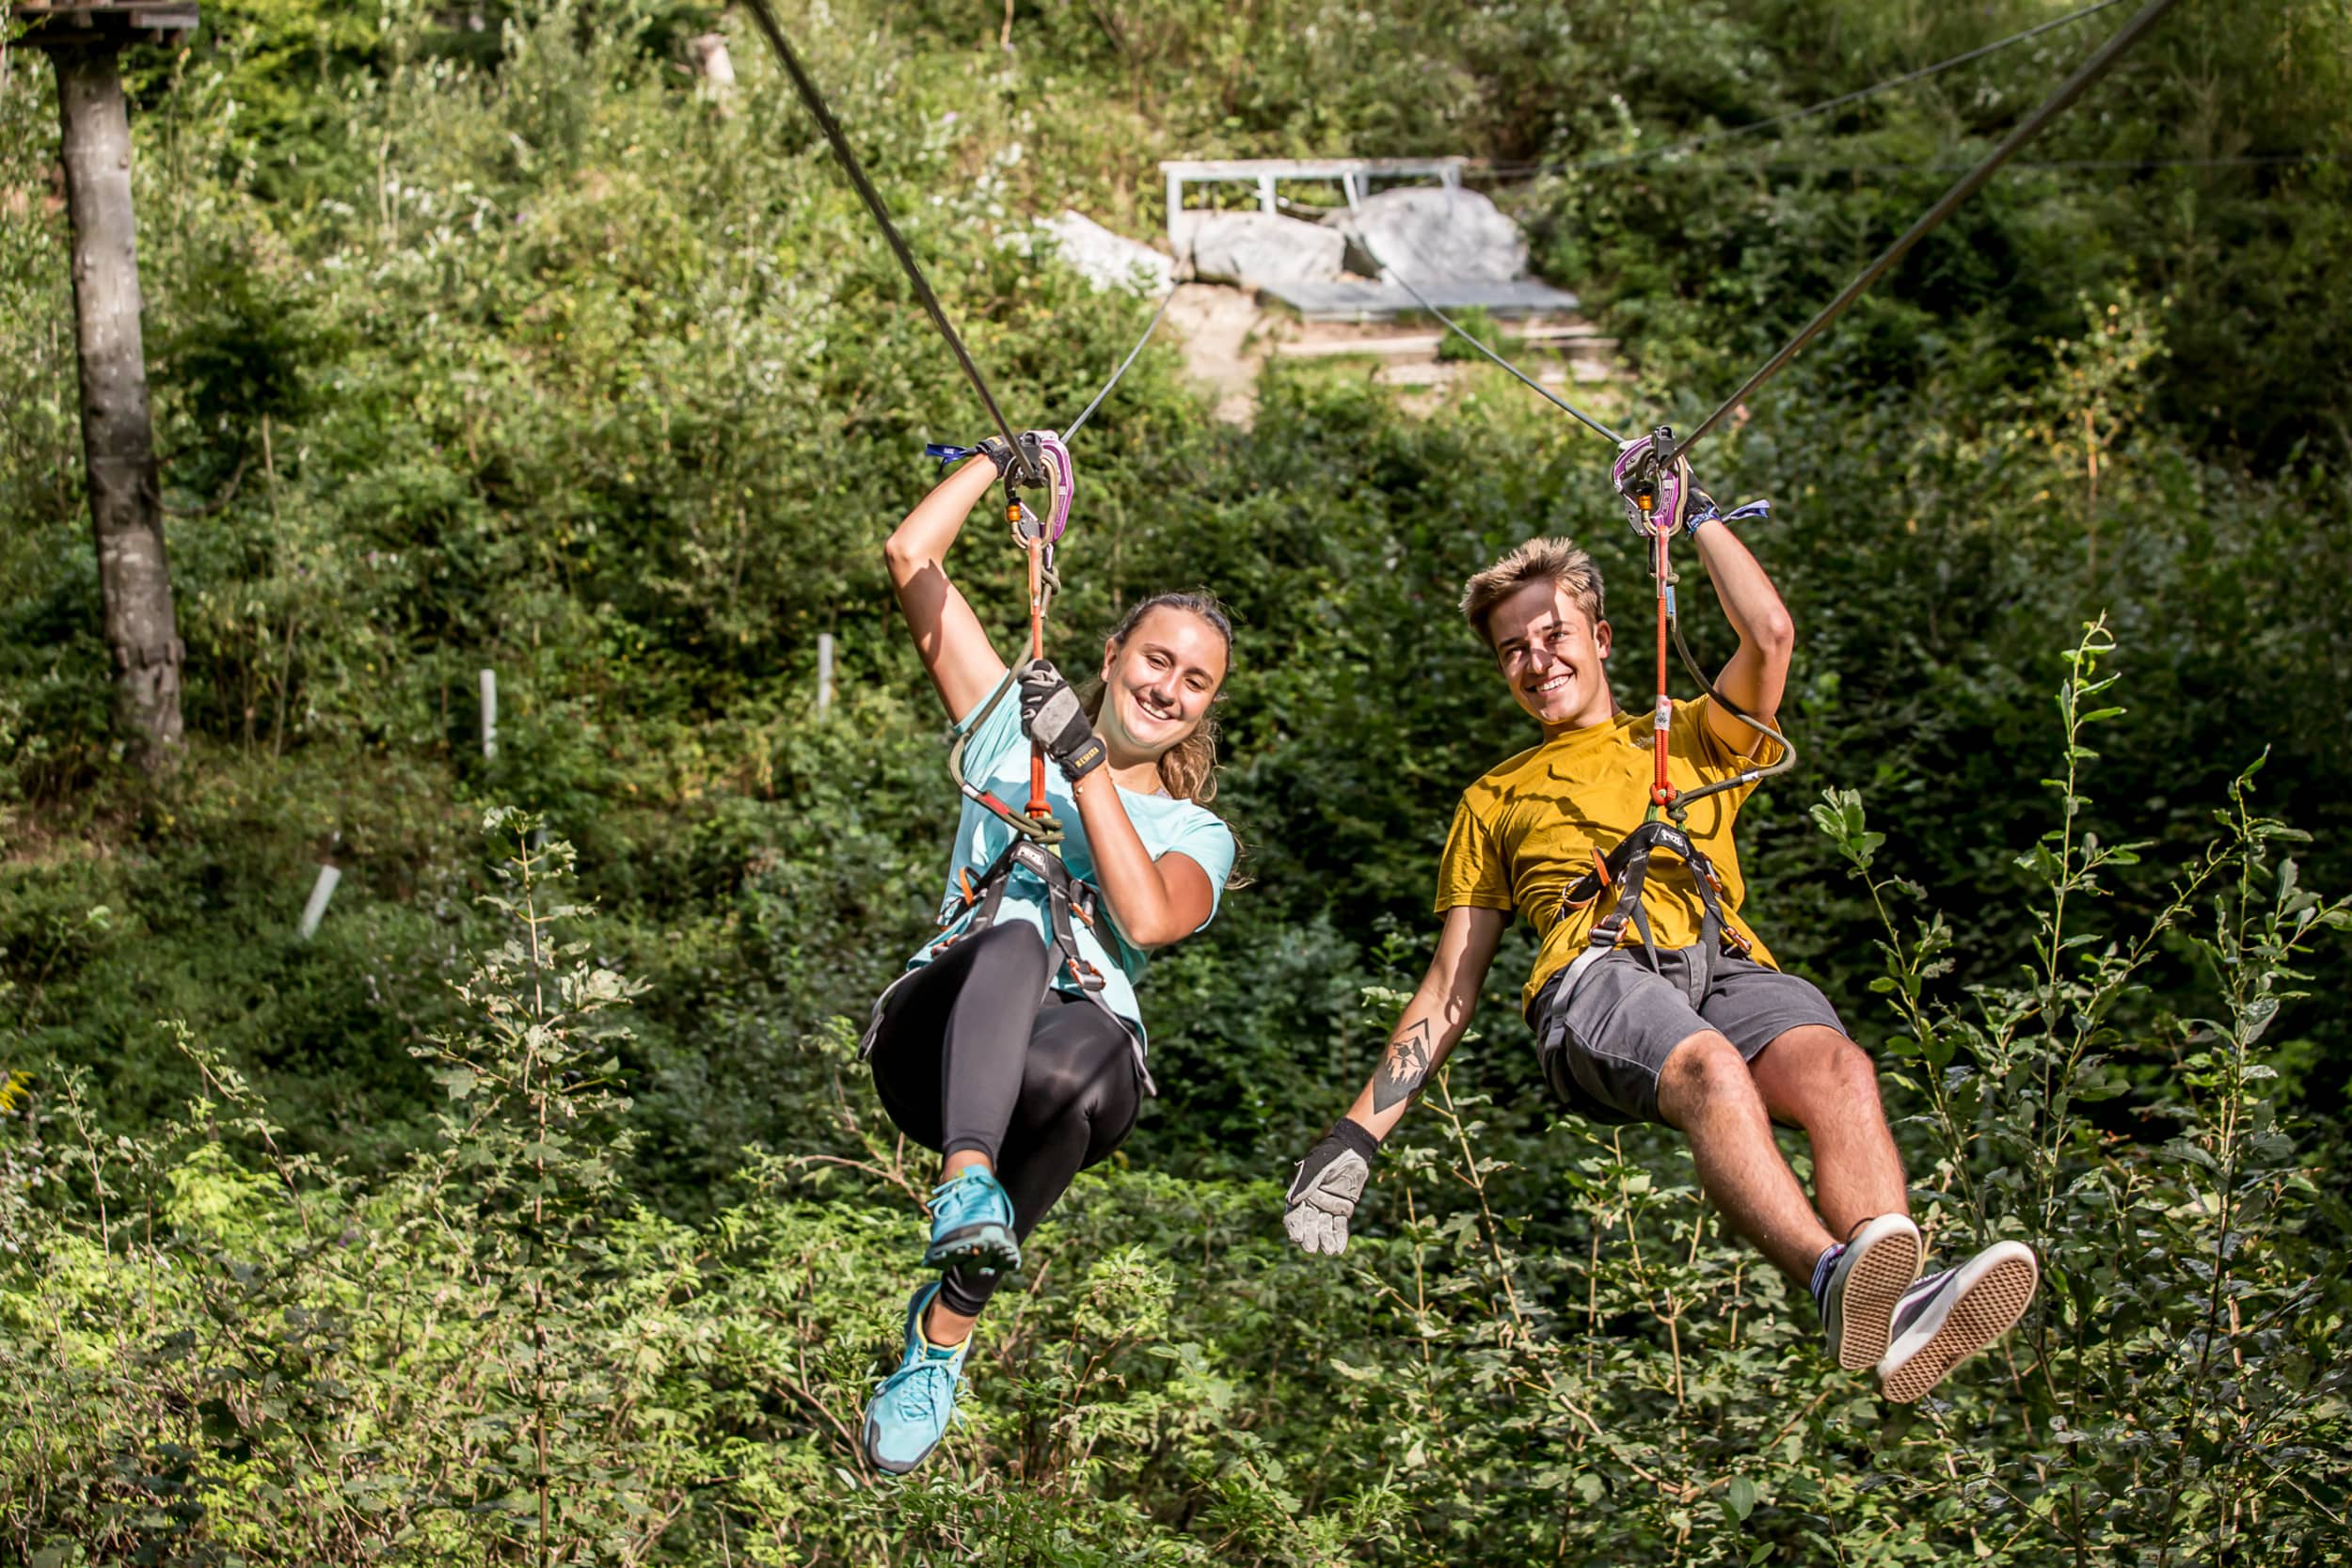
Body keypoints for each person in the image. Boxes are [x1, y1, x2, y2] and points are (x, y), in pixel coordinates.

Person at [1281, 522, 2038, 1403]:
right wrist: (1354, 1135)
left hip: (1721, 960)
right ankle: (1833, 1279)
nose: (1537, 660)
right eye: (1512, 650)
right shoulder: (1493, 798)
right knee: (1709, 1069)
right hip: (1591, 981)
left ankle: (1900, 1308)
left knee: (1839, 1067)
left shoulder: (1688, 738)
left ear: (1602, 638)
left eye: (1554, 634)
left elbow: (1771, 634)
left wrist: (1695, 513)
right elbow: (1452, 985)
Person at [859, 439, 1238, 1473]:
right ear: (1113, 652)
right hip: (937, 1042)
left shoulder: (1194, 832)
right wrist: (994, 460)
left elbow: (1151, 920)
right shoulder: (1001, 732)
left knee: (1086, 1065)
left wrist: (1083, 766)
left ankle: (945, 1328)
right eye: (1157, 658)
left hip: (1066, 1065)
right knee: (1018, 926)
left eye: (1195, 681)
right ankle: (966, 1179)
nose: (1170, 687)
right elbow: (910, 556)